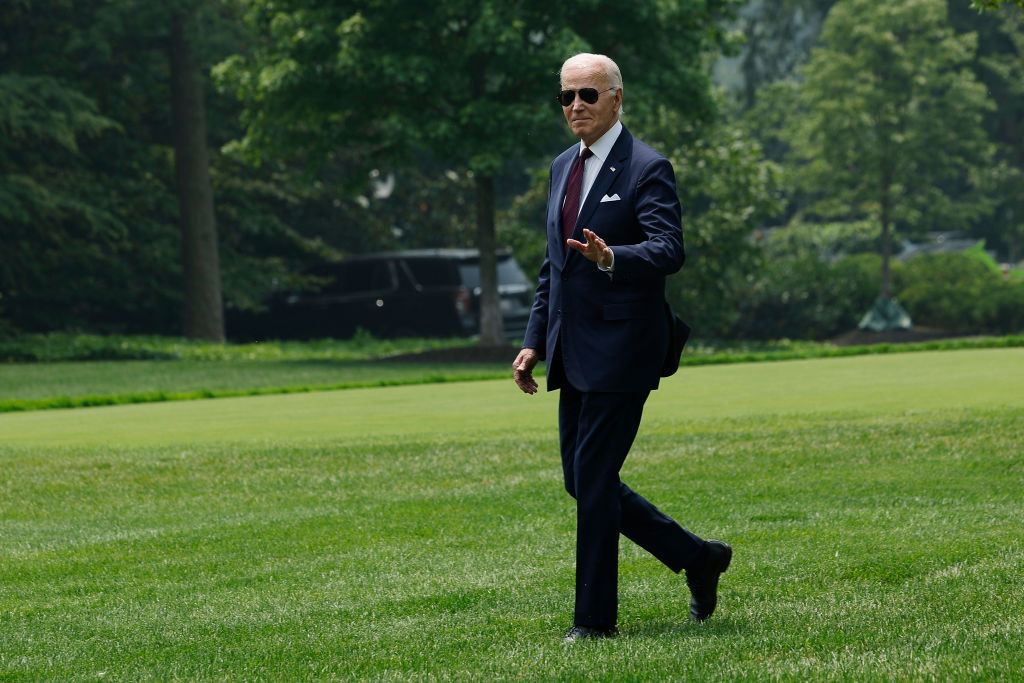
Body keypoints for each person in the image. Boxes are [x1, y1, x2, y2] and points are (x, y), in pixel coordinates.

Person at [512, 53, 732, 643]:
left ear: (615, 98)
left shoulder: (647, 167)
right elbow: (551, 267)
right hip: (570, 350)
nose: (575, 106)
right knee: (584, 482)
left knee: (594, 480)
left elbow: (668, 250)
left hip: (624, 349)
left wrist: (612, 257)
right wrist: (533, 342)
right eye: (566, 97)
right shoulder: (563, 167)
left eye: (588, 95)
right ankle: (698, 557)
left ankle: (593, 622)